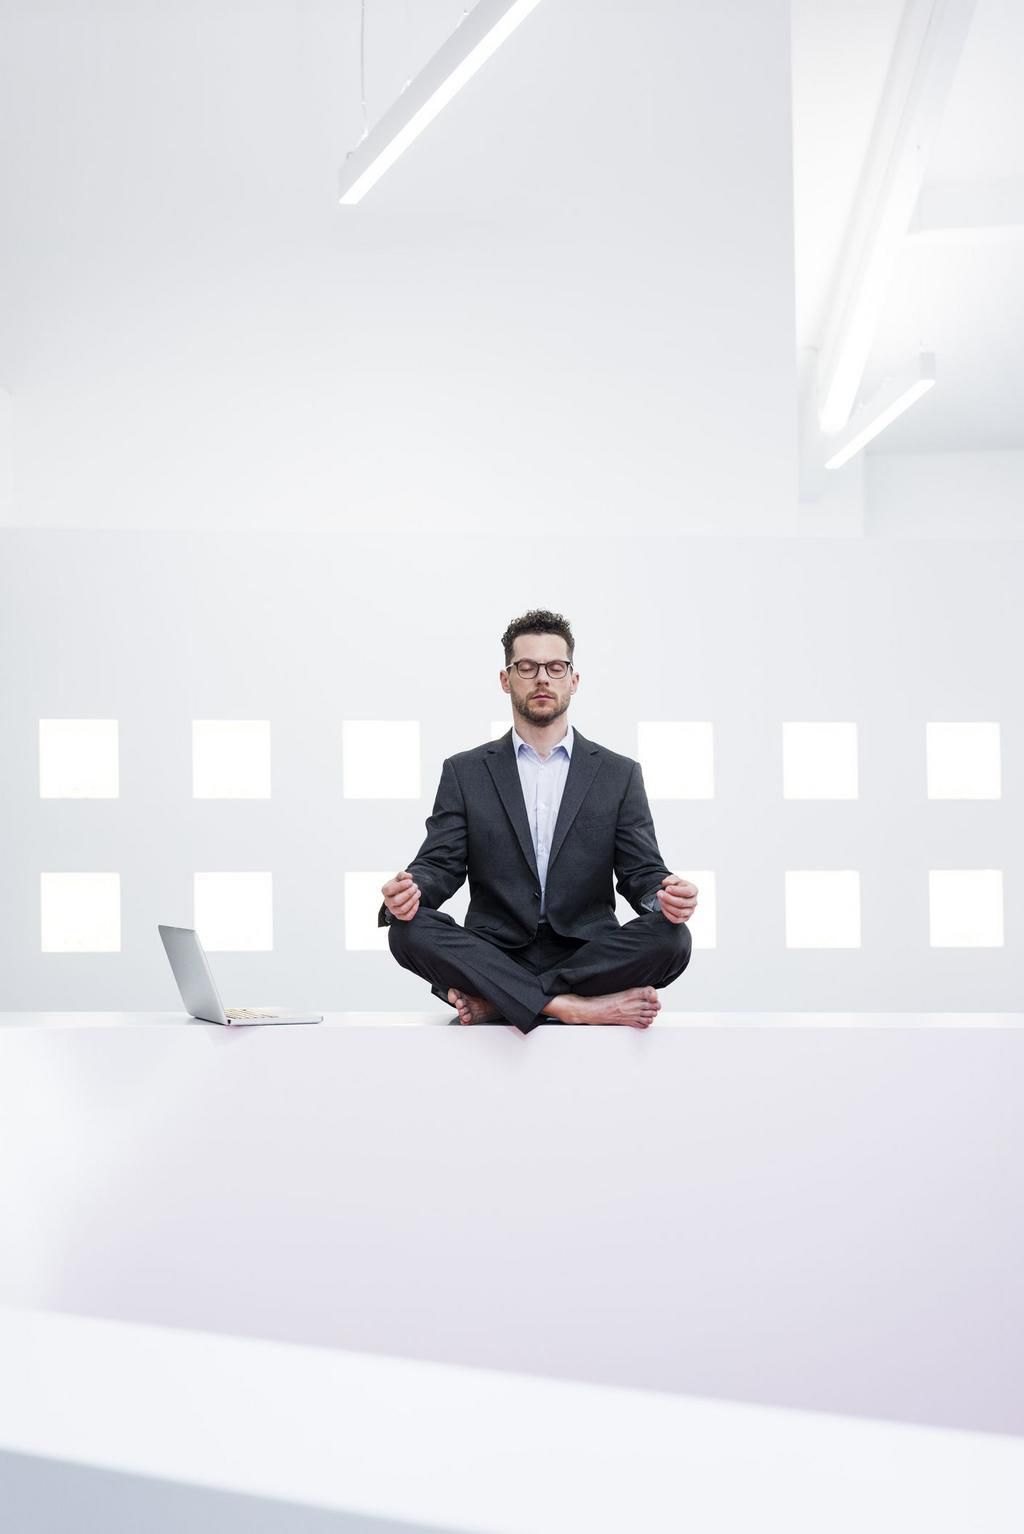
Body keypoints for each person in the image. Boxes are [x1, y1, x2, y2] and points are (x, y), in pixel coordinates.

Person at [378, 609, 697, 1033]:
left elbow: (641, 871)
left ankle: (504, 1000)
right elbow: (440, 865)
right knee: (406, 931)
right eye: (527, 667)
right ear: (506, 680)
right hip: (496, 949)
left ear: (573, 680)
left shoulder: (618, 774)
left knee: (673, 939)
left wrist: (666, 896)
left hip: (586, 952)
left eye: (555, 667)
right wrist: (410, 890)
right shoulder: (465, 771)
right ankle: (570, 1007)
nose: (542, 678)